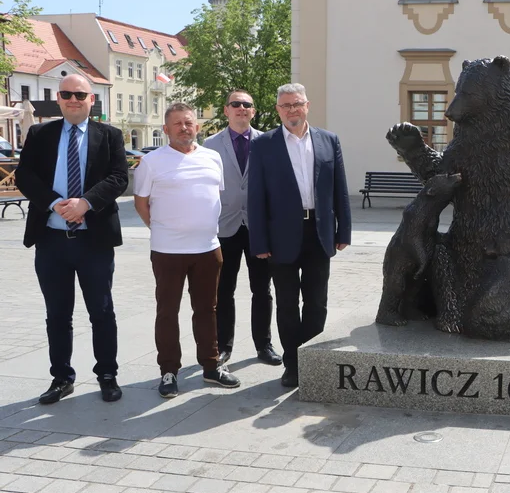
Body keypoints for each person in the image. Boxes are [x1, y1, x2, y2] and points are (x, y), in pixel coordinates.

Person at [14, 75, 128, 404]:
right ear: (59, 99)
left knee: (101, 312)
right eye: (67, 94)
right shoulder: (40, 134)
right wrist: (53, 202)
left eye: (80, 94)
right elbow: (25, 175)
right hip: (51, 240)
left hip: (94, 240)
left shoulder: (110, 136)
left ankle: (107, 374)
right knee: (58, 315)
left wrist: (85, 203)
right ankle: (61, 378)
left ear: (92, 100)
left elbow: (119, 177)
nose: (73, 99)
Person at [133, 103, 241, 398]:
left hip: (208, 248)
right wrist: (160, 229)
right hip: (168, 250)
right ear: (165, 130)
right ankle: (169, 371)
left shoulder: (212, 158)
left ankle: (211, 366)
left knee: (207, 310)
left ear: (198, 127)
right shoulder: (152, 162)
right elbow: (141, 202)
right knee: (167, 311)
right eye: (177, 123)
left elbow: (211, 198)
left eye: (189, 123)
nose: (184, 128)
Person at [248, 83, 351, 388]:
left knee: (317, 302)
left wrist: (343, 229)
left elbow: (339, 189)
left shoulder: (328, 140)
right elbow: (256, 198)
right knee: (287, 304)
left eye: (297, 104)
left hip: (319, 232)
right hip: (281, 237)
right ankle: (292, 364)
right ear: (278, 110)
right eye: (285, 106)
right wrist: (260, 242)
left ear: (307, 105)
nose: (292, 110)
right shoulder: (264, 145)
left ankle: (312, 360)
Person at [202, 90, 281, 367]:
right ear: (226, 110)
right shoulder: (210, 145)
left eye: (247, 105)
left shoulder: (269, 142)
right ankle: (223, 346)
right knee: (224, 290)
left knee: (262, 289)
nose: (241, 108)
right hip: (225, 227)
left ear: (254, 111)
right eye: (235, 104)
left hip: (259, 228)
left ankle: (264, 345)